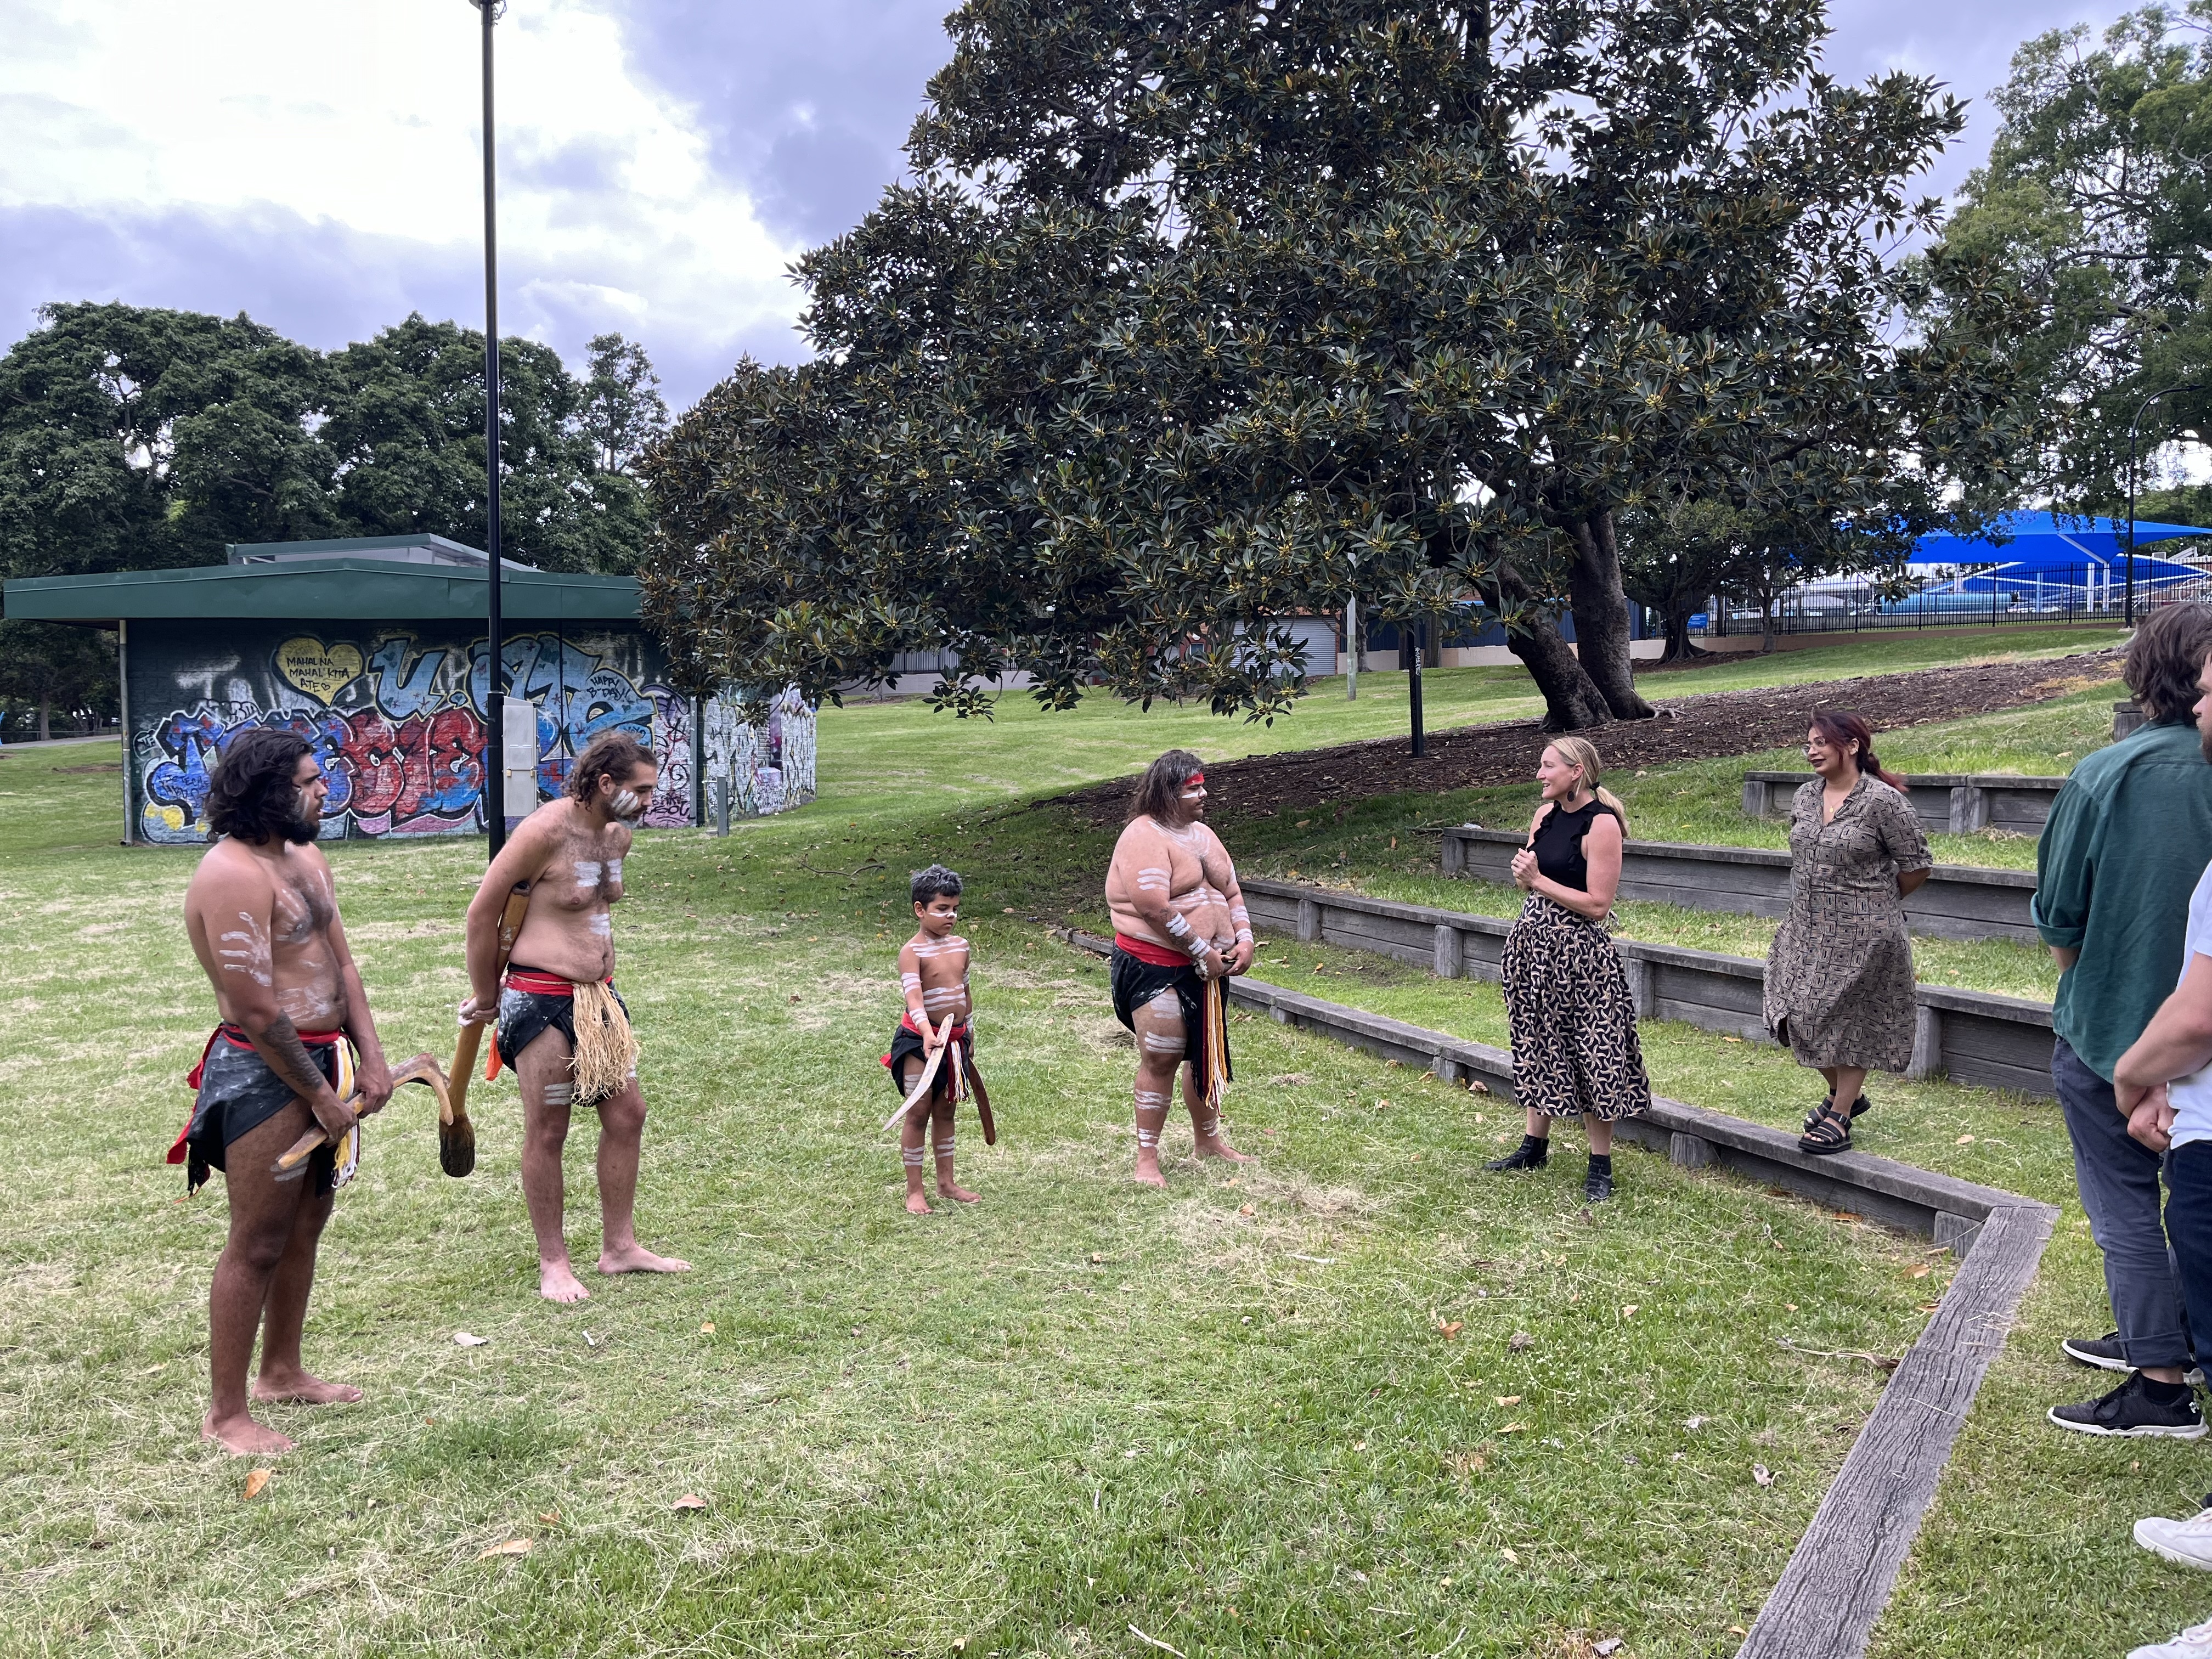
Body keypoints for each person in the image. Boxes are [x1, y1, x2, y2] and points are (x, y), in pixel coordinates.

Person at [176, 727, 394, 1454]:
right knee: (258, 1240)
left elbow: (344, 965)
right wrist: (321, 1095)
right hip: (262, 1074)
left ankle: (283, 1371)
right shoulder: (232, 875)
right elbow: (257, 1010)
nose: (325, 787)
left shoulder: (303, 858)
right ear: (268, 790)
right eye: (310, 779)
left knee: (305, 1227)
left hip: (326, 1060)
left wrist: (370, 1056)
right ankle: (227, 1414)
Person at [2034, 603, 2212, 1438]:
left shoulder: (2109, 774)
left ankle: (2160, 1382)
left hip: (2117, 1033)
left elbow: (2061, 916)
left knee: (2128, 1209)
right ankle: (2163, 1331)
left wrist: (2091, 1009)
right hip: (2198, 1036)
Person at [460, 730, 689, 1304]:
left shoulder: (618, 838)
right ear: (605, 783)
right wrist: (485, 996)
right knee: (549, 1127)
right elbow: (481, 914)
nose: (650, 799)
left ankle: (619, 1248)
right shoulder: (545, 831)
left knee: (628, 1115)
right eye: (641, 789)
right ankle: (553, 1262)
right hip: (540, 1000)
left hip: (600, 1001)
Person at [1484, 736, 1651, 1202]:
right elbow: (1538, 884)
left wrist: (1538, 881)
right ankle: (1534, 1145)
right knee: (1537, 1040)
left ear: (1576, 771)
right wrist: (1526, 879)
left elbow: (1598, 905)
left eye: (1547, 766)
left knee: (1594, 1049)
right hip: (1533, 949)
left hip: (1582, 956)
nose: (1539, 774)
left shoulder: (1603, 825)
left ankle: (1601, 1164)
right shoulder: (1544, 817)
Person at [1763, 711, 1932, 1156]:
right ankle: (1851, 1097)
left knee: (1846, 1020)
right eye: (1809, 743)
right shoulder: (1805, 796)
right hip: (1806, 926)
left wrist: (1875, 903)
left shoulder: (1882, 801)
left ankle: (1838, 1116)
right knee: (1793, 1014)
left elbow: (1917, 865)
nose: (1812, 750)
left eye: (1821, 742)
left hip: (1865, 934)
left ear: (1852, 746)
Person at [1104, 749, 1255, 1187]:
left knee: (1203, 1053)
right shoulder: (1143, 835)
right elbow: (1153, 907)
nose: (1203, 794)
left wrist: (1243, 939)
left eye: (1202, 785)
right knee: (1162, 1054)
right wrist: (1198, 950)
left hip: (1209, 967)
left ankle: (1207, 1140)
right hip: (1156, 964)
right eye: (1193, 789)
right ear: (1168, 792)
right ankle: (1147, 1159)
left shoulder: (1204, 836)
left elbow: (1232, 893)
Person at [885, 864, 985, 1213]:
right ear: (920, 910)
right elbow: (914, 998)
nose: (952, 916)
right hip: (919, 1041)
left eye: (955, 908)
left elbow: (965, 991)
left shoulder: (961, 946)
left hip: (954, 1042)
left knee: (946, 1110)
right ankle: (915, 1190)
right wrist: (928, 1034)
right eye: (942, 909)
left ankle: (946, 1183)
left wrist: (968, 1029)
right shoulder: (911, 951)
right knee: (918, 1112)